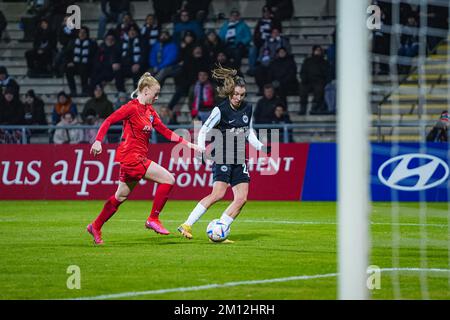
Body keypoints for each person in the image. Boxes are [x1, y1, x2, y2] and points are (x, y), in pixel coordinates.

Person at [87, 72, 202, 245]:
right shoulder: (131, 108)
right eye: (155, 94)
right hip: (131, 157)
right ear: (146, 90)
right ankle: (153, 219)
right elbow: (109, 120)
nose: (157, 98)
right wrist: (98, 141)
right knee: (168, 179)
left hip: (135, 158)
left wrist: (189, 145)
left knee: (120, 196)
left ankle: (95, 226)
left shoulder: (150, 111)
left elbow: (165, 131)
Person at [177, 65, 270, 241]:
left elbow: (248, 131)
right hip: (222, 155)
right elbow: (204, 129)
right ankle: (187, 224)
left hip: (239, 157)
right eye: (236, 94)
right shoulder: (220, 110)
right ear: (229, 92)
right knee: (218, 194)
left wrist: (261, 147)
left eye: (242, 95)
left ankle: (220, 228)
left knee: (241, 199)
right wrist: (201, 148)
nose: (238, 98)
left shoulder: (247, 109)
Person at [65, 26, 98, 96]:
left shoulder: (92, 43)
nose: (82, 34)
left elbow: (95, 56)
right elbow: (67, 54)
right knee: (68, 70)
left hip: (87, 65)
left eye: (84, 33)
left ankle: (85, 90)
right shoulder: (72, 42)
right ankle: (73, 90)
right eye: (80, 32)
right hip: (74, 64)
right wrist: (69, 62)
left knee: (83, 68)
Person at [299, 45, 331, 115]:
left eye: (319, 50)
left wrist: (324, 81)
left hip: (319, 81)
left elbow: (327, 73)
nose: (318, 52)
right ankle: (303, 108)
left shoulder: (324, 62)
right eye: (316, 50)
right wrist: (304, 79)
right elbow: (303, 72)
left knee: (319, 90)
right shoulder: (307, 61)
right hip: (308, 81)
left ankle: (315, 108)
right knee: (303, 89)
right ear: (313, 51)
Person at [115, 23, 145, 91]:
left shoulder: (142, 41)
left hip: (138, 66)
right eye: (130, 30)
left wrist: (138, 64)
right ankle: (121, 91)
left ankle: (137, 93)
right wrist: (116, 62)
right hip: (125, 66)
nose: (132, 32)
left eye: (134, 30)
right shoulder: (122, 42)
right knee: (117, 71)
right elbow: (117, 53)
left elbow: (144, 55)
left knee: (137, 73)